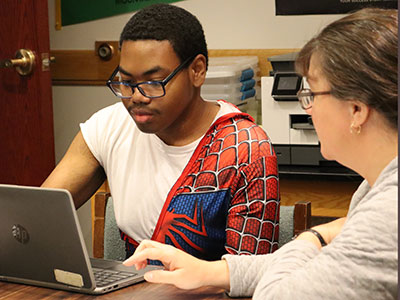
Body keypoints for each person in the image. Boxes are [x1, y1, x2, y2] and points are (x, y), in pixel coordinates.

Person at [124, 7, 398, 299]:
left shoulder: (387, 213)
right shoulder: (373, 188)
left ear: (356, 110)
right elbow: (309, 270)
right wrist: (208, 272)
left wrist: (312, 237)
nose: (308, 108)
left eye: (312, 94)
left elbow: (277, 295)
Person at [41, 3, 280, 261]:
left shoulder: (245, 148)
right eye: (127, 82)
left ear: (197, 70)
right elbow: (37, 214)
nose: (136, 97)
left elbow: (250, 277)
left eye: (153, 83)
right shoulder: (110, 126)